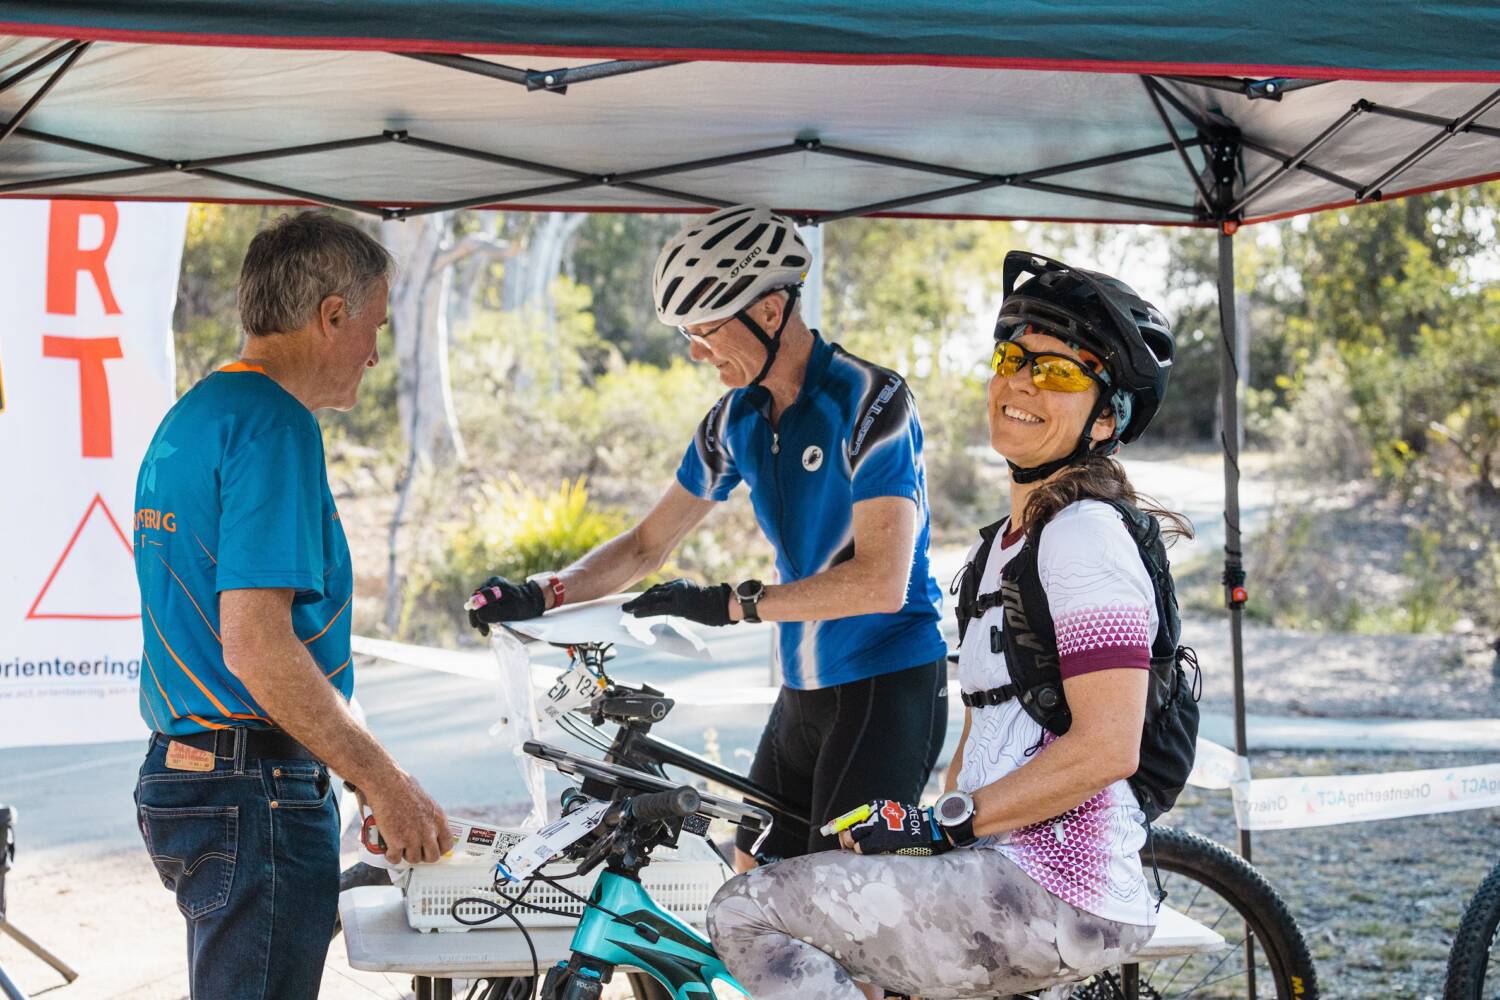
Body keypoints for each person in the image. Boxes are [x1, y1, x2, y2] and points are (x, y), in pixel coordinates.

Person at [707, 251, 1194, 999]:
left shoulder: (1086, 536)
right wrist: (931, 827)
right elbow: (983, 732)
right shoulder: (1003, 546)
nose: (1022, 381)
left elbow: (1106, 747)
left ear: (1106, 414)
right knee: (850, 913)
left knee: (746, 908)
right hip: (1000, 868)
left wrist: (945, 827)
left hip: (1060, 889)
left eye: (1060, 372)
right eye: (1013, 357)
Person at [467, 204, 949, 870]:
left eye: (708, 331)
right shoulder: (735, 419)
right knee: (753, 870)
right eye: (688, 334)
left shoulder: (870, 401)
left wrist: (732, 604)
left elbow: (881, 582)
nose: (697, 352)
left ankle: (896, 980)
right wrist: (540, 593)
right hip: (807, 687)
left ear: (772, 311)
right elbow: (644, 546)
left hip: (888, 680)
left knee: (844, 906)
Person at [132, 212, 452, 1000]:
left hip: (193, 778)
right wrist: (383, 780)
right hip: (252, 787)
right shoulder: (275, 425)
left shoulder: (199, 414)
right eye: (373, 326)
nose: (377, 353)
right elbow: (257, 645)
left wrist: (347, 759)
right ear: (331, 315)